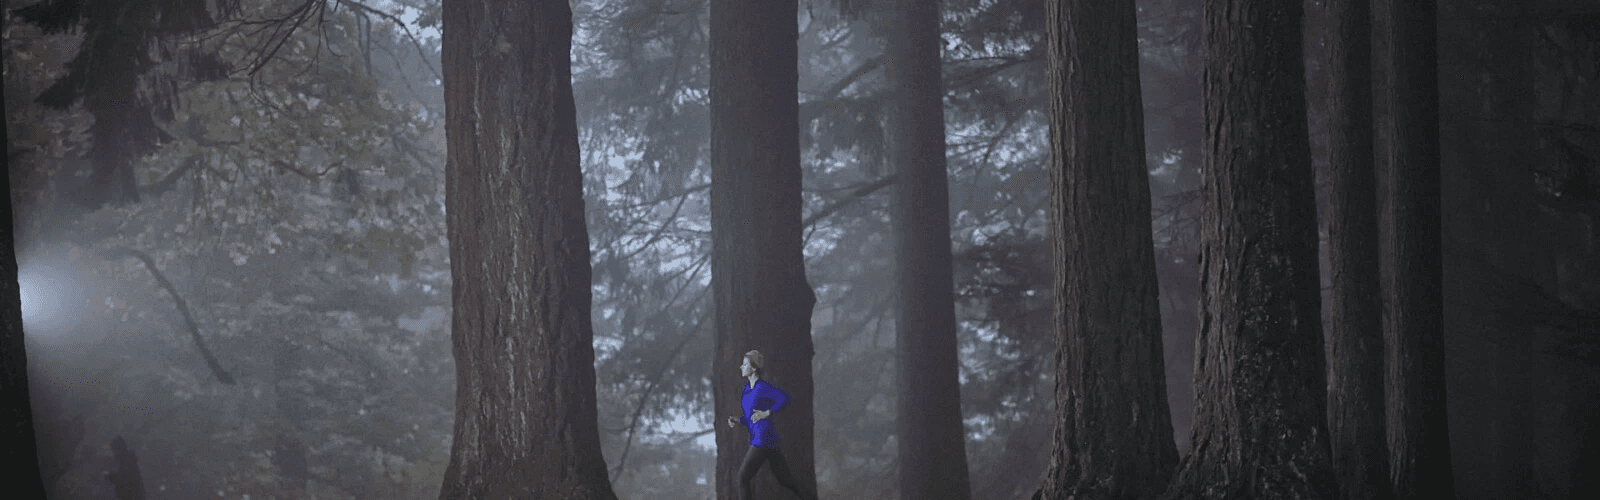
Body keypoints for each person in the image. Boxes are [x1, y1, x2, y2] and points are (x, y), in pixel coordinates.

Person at [725, 349, 819, 500]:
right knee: (786, 481)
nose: (741, 367)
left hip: (762, 440)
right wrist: (738, 420)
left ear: (754, 368)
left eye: (745, 364)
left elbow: (784, 398)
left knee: (742, 478)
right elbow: (752, 419)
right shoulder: (747, 390)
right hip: (769, 441)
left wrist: (768, 412)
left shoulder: (762, 387)